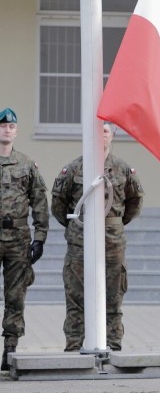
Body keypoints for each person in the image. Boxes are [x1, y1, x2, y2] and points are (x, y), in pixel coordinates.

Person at [52, 122, 144, 352]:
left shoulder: (123, 169)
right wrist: (76, 226)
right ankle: (73, 348)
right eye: (97, 131)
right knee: (76, 298)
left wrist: (115, 223)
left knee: (113, 298)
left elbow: (135, 201)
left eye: (105, 131)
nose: (101, 136)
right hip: (80, 241)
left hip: (112, 242)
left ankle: (112, 347)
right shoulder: (73, 169)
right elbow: (58, 205)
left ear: (112, 135)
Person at [0, 108, 49, 370]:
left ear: (16, 131)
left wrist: (40, 237)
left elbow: (40, 201)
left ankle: (9, 349)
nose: (6, 130)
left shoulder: (27, 164)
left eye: (11, 126)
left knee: (15, 295)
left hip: (18, 238)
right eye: (2, 126)